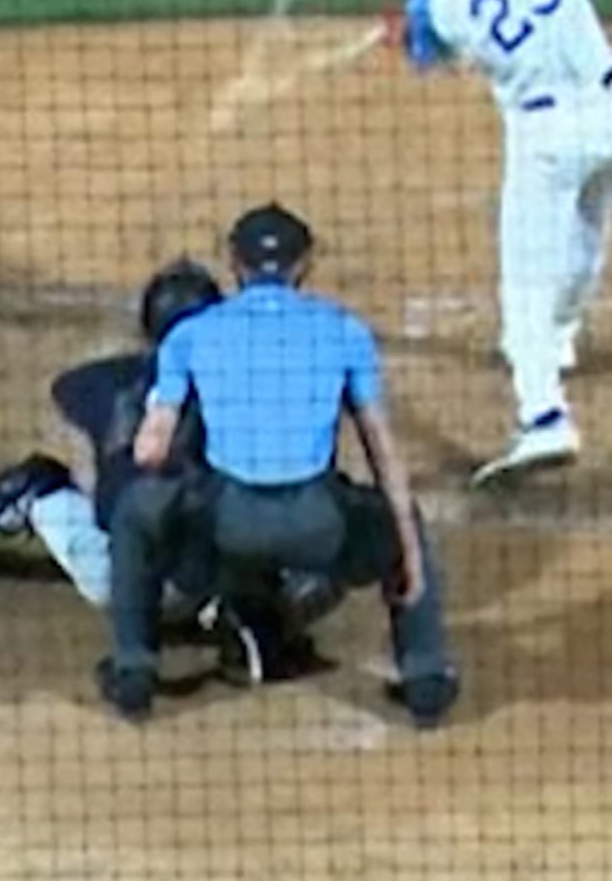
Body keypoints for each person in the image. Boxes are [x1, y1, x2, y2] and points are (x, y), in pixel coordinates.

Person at [95, 203, 459, 729]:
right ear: (304, 264)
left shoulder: (190, 336)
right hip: (319, 527)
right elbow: (386, 457)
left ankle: (135, 671)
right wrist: (410, 556)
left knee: (136, 510)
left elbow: (149, 451)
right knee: (398, 518)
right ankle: (426, 677)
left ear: (234, 264)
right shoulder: (345, 331)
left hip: (226, 525)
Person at [0, 260, 336, 680]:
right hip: (206, 575)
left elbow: (79, 445)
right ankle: (247, 617)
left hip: (120, 581)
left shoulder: (101, 380)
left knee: (37, 480)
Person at [370, 0, 612, 486]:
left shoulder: (439, 3)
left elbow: (427, 44)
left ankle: (544, 416)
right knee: (588, 227)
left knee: (522, 284)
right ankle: (562, 336)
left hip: (550, 139)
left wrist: (399, 32)